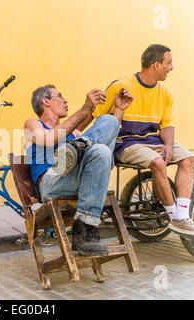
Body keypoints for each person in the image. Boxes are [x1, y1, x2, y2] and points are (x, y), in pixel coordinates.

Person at [79, 44, 194, 241]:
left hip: (152, 141)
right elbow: (94, 115)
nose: (172, 67)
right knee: (157, 162)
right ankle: (175, 218)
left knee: (189, 158)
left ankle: (182, 215)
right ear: (155, 64)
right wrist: (72, 136)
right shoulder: (120, 86)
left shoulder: (165, 93)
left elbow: (167, 125)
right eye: (169, 63)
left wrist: (169, 144)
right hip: (125, 143)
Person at [24, 85, 133, 256]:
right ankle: (77, 149)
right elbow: (50, 139)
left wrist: (118, 109)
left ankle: (84, 232)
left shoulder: (73, 133)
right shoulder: (33, 124)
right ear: (46, 101)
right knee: (95, 148)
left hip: (78, 180)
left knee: (106, 135)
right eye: (60, 96)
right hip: (52, 182)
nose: (65, 100)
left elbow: (107, 137)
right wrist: (85, 109)